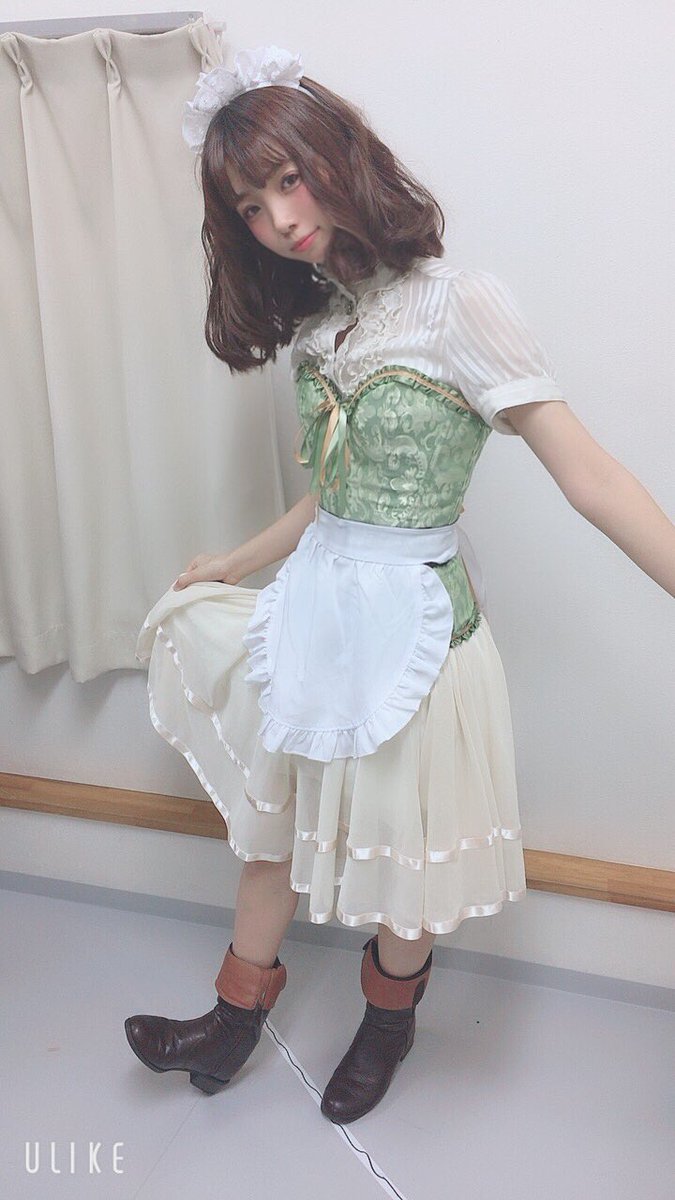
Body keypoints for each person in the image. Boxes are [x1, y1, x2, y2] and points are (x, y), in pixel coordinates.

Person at [125, 45, 675, 1125]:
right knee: (273, 831)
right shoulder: (319, 327)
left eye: (289, 180)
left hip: (419, 627)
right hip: (315, 610)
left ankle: (386, 1024)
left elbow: (591, 476)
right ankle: (230, 1021)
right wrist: (238, 561)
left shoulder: (459, 303)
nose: (278, 220)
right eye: (250, 207)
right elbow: (333, 495)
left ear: (339, 157)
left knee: (407, 855)